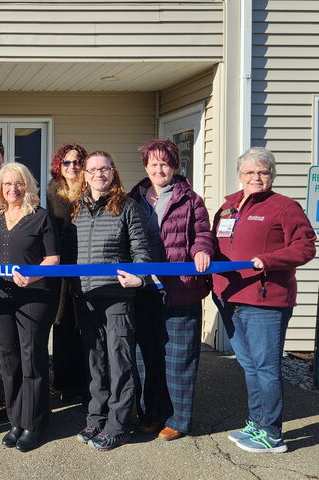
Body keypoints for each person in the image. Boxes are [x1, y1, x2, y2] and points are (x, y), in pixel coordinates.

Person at [212, 147, 315, 453]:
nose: (256, 177)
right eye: (249, 172)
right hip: (229, 298)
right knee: (250, 367)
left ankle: (271, 435)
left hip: (265, 300)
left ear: (272, 175)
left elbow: (306, 247)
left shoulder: (284, 207)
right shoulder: (229, 205)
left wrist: (268, 260)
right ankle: (256, 423)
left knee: (266, 368)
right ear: (240, 175)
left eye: (263, 172)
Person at [127, 139, 214, 441]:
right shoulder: (133, 198)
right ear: (146, 167)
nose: (159, 168)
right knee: (145, 356)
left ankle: (178, 419)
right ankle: (150, 414)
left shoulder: (190, 199)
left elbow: (202, 233)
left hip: (180, 290)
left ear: (175, 166)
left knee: (178, 358)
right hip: (144, 290)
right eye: (154, 163)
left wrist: (202, 251)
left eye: (165, 163)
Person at [70, 150, 151, 451]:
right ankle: (96, 417)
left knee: (120, 361)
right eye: (92, 170)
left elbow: (141, 251)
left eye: (104, 169)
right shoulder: (76, 209)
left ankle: (119, 425)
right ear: (85, 176)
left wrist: (140, 278)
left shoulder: (127, 207)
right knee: (95, 363)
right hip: (87, 297)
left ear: (113, 173)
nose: (98, 174)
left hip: (117, 297)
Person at [0, 162, 60, 452]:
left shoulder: (40, 217)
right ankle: (15, 420)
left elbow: (53, 259)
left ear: (28, 185)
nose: (13, 189)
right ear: (0, 188)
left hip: (34, 295)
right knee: (9, 358)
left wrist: (32, 275)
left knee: (32, 357)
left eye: (18, 183)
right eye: (7, 184)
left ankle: (34, 422)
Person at [46, 142, 89, 403]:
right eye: (67, 163)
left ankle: (86, 382)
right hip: (61, 265)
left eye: (77, 162)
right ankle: (64, 383)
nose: (72, 167)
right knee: (62, 323)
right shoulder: (53, 190)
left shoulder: (92, 188)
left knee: (85, 324)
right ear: (59, 166)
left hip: (87, 261)